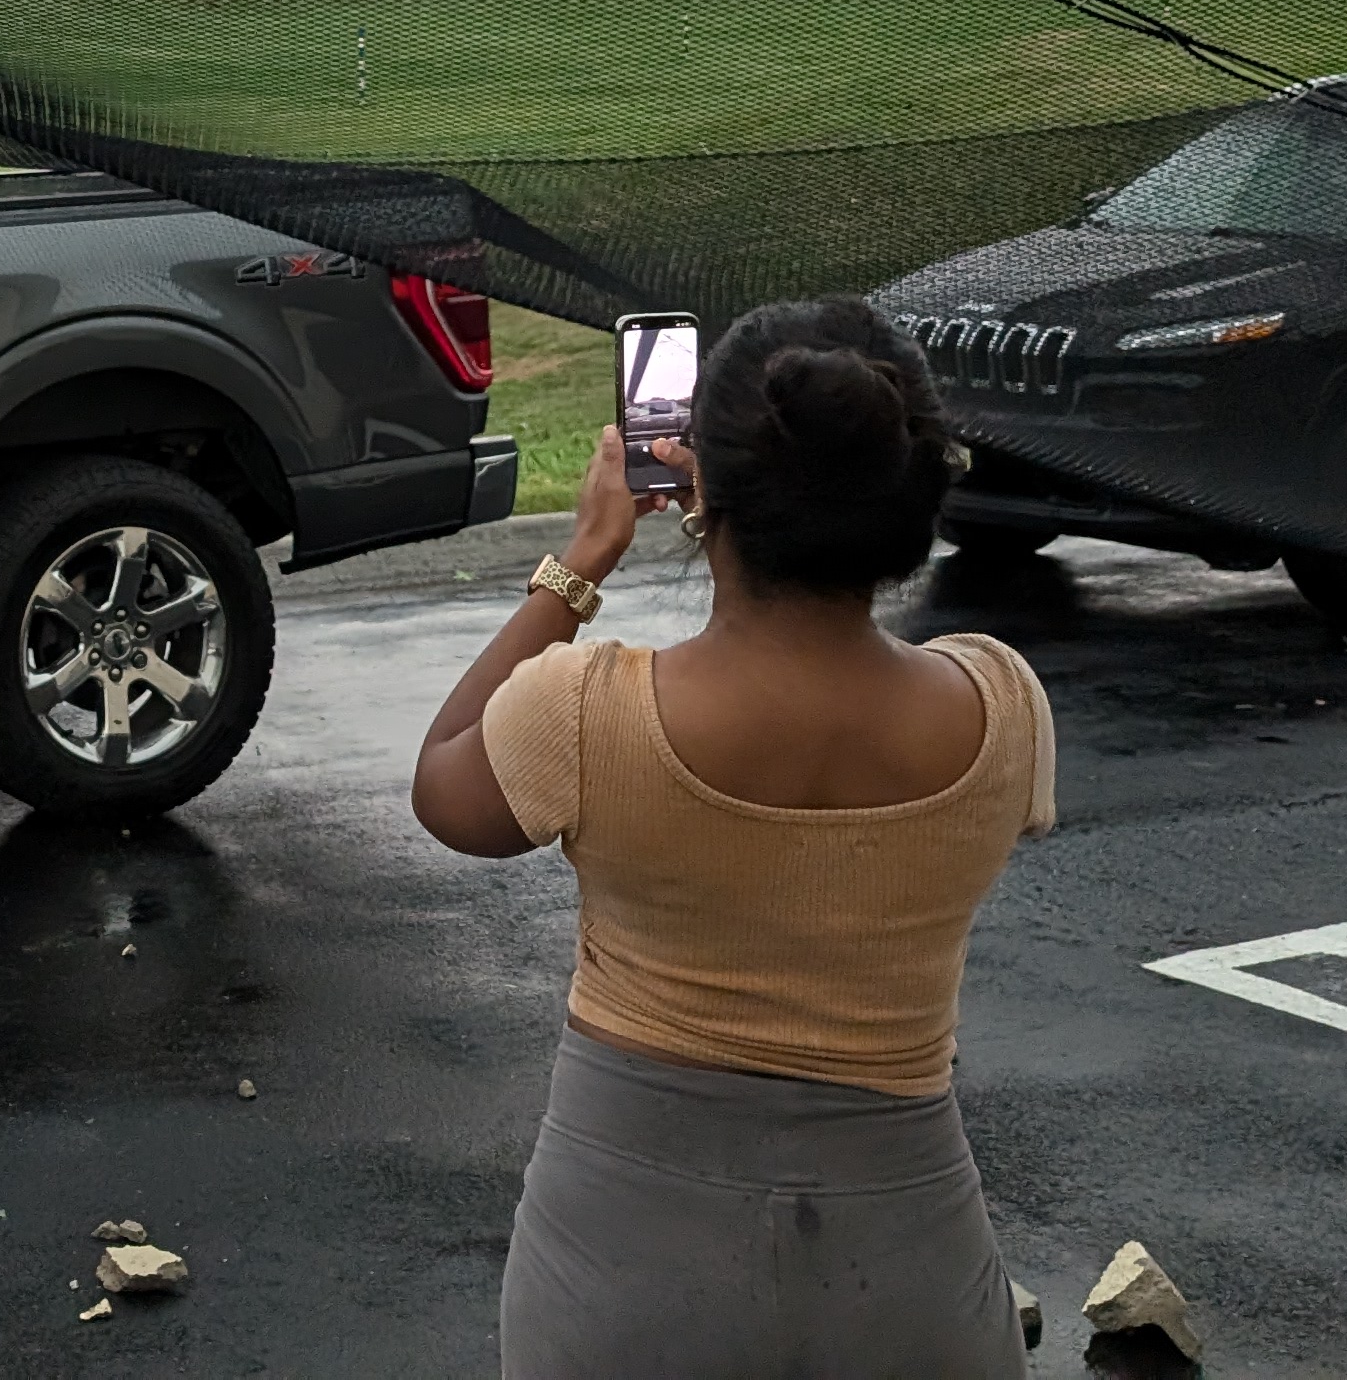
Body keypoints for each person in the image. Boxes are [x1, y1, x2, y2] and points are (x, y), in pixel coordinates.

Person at [412, 297, 1053, 1380]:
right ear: (910, 495)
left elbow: (446, 787)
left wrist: (579, 565)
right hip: (910, 1282)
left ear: (697, 484)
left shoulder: (582, 712)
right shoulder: (1002, 707)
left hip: (618, 1280)